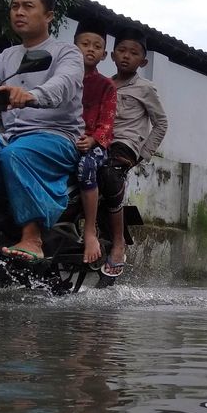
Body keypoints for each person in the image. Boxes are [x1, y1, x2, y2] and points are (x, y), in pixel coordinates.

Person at [0, 0, 84, 262]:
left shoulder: (67, 53)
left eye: (28, 6)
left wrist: (32, 94)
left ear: (48, 15)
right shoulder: (8, 55)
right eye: (14, 6)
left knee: (15, 156)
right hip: (13, 136)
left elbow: (64, 85)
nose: (19, 12)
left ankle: (32, 238)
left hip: (57, 137)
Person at [100, 27, 168, 277]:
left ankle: (118, 243)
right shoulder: (103, 84)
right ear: (112, 55)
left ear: (144, 61)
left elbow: (161, 123)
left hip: (125, 145)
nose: (126, 56)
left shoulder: (145, 88)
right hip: (100, 141)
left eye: (134, 53)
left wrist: (144, 153)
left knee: (109, 174)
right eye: (122, 51)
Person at [72, 19, 117, 265]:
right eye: (85, 44)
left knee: (86, 167)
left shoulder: (106, 85)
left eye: (96, 46)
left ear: (103, 54)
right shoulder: (64, 77)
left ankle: (89, 231)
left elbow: (107, 123)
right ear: (74, 46)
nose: (90, 49)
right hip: (65, 137)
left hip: (95, 146)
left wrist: (93, 140)